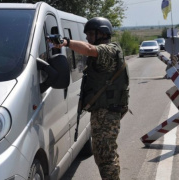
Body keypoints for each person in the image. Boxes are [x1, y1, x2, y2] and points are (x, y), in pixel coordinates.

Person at [48, 17, 129, 180]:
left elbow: (90, 49)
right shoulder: (105, 52)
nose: (87, 37)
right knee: (102, 155)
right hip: (103, 112)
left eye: (91, 34)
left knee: (106, 157)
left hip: (107, 113)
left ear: (102, 33)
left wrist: (66, 42)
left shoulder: (109, 50)